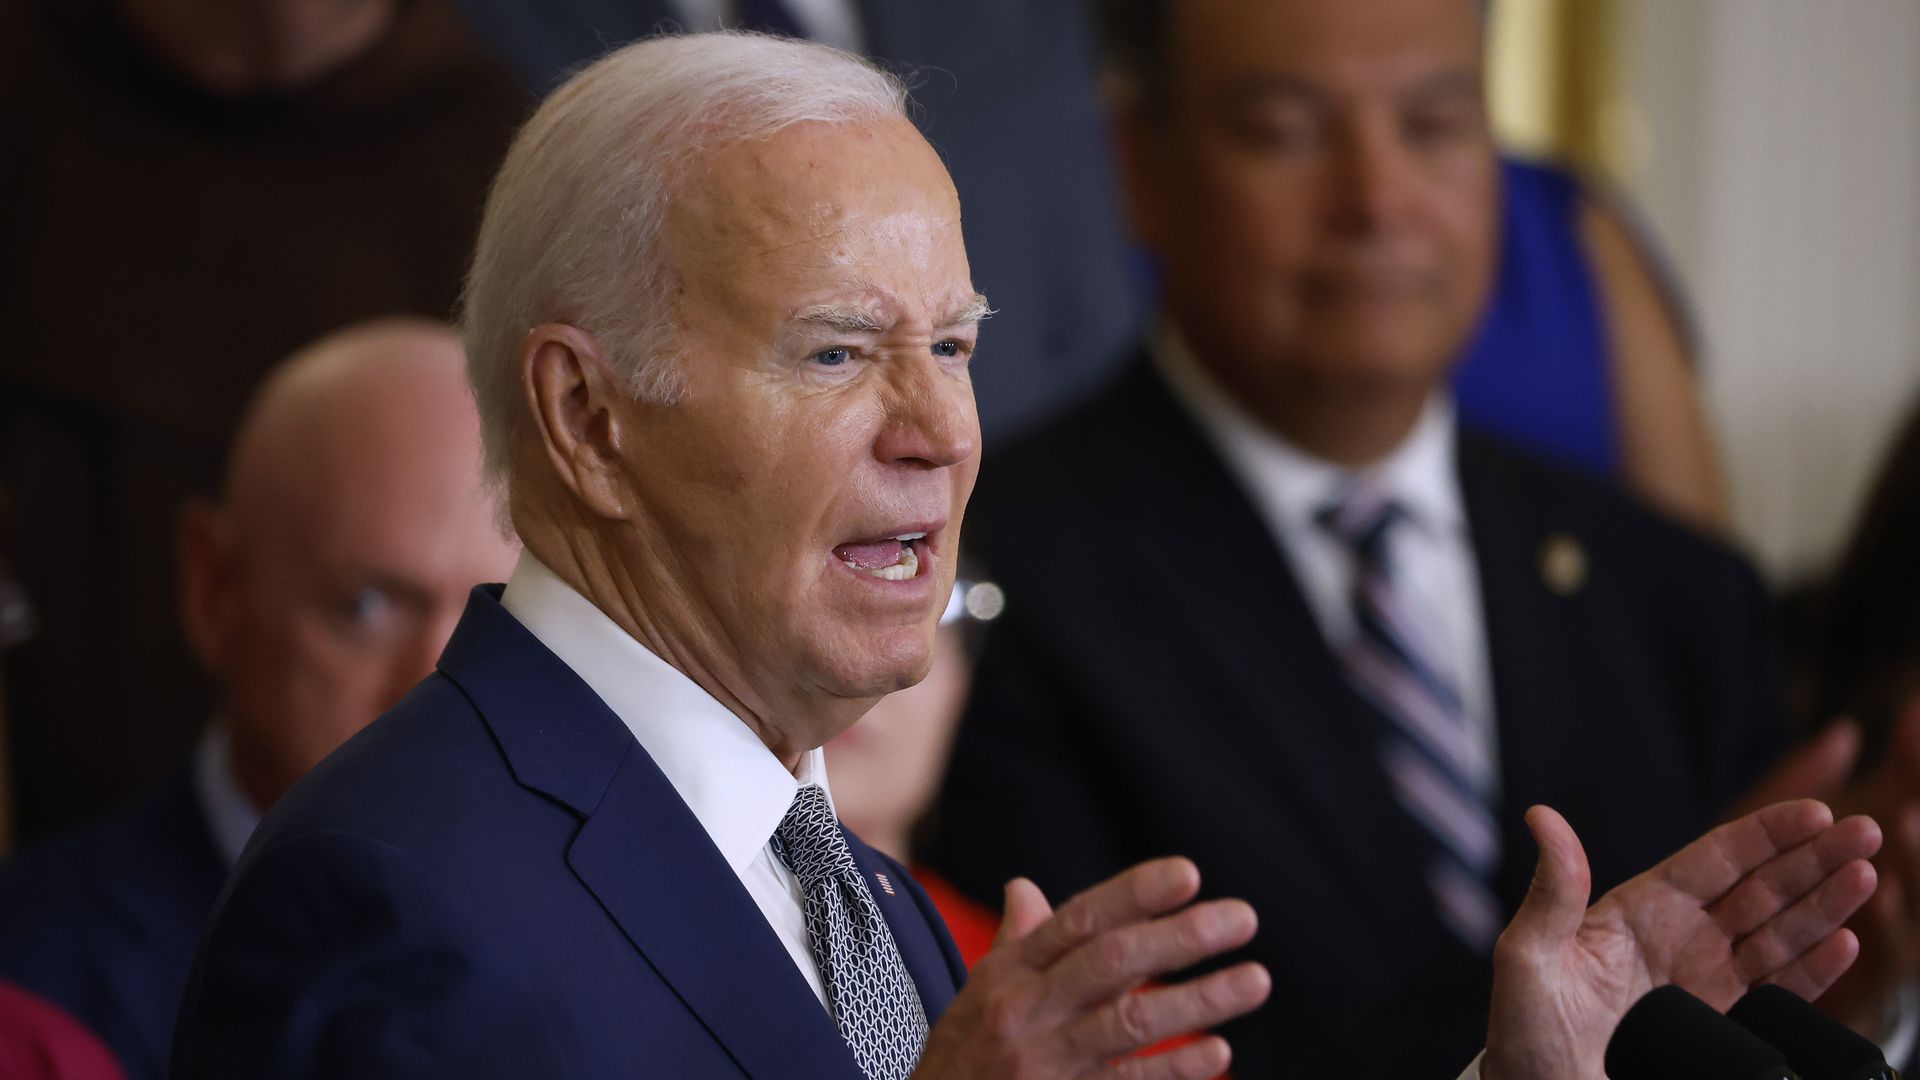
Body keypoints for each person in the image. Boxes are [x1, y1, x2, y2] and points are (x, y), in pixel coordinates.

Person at [165, 31, 1882, 1080]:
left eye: (957, 346)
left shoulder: (843, 876)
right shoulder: (389, 893)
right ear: (589, 418)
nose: (940, 429)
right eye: (840, 351)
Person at [924, 1, 1801, 1074]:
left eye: (1433, 125)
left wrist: (1853, 984)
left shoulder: (1679, 596)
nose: (1377, 200)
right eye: (1285, 132)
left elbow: (1770, 997)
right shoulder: (984, 583)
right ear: (1141, 166)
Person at [0, 0, 528, 839]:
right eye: (366, 609)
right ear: (211, 584)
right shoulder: (28, 100)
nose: (430, 677)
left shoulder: (517, 168)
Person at [0, 320, 519, 1080]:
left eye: (500, 619)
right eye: (368, 606)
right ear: (214, 589)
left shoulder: (624, 941)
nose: (450, 691)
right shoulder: (29, 990)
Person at [444, 0, 1142, 440]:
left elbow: (1090, 295)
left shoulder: (1030, 22)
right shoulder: (471, 35)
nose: (942, 437)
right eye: (834, 355)